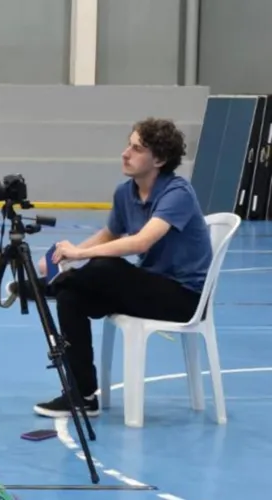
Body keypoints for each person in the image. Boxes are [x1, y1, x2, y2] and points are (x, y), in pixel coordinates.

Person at [31, 117, 213, 419]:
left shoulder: (177, 193)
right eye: (128, 144)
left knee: (107, 267)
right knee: (71, 297)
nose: (125, 153)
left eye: (137, 148)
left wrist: (80, 253)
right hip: (148, 289)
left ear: (160, 159)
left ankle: (44, 287)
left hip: (184, 298)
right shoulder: (125, 192)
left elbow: (141, 242)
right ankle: (82, 395)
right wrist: (65, 258)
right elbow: (109, 234)